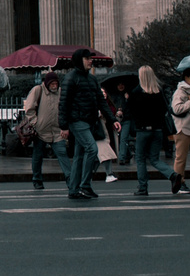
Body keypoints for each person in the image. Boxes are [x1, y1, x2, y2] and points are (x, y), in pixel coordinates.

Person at [58, 59, 111, 200]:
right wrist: (63, 126)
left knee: (79, 155)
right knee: (92, 149)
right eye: (87, 58)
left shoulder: (92, 79)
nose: (91, 61)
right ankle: (85, 186)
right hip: (77, 121)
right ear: (80, 60)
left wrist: (113, 119)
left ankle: (74, 189)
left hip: (89, 121)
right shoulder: (71, 78)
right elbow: (64, 104)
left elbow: (101, 101)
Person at [121, 65, 175, 197]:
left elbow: (130, 113)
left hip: (142, 130)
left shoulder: (135, 93)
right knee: (155, 159)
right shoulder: (159, 92)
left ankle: (143, 187)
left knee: (140, 159)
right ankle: (172, 174)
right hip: (157, 130)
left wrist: (128, 101)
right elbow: (164, 111)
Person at [22, 70, 64, 188]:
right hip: (40, 131)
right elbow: (29, 109)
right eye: (52, 84)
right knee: (38, 156)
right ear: (47, 83)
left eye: (56, 84)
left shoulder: (60, 92)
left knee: (62, 155)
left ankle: (70, 180)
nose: (55, 86)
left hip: (56, 131)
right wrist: (36, 123)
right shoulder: (38, 90)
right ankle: (37, 179)